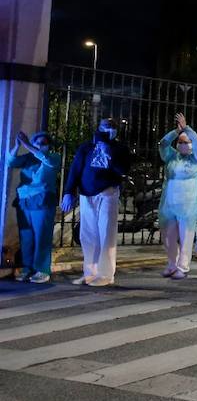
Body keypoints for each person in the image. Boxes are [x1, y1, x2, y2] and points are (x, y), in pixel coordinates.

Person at [61, 116, 130, 287]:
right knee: (89, 235)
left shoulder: (120, 148)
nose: (109, 129)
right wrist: (69, 191)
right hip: (87, 194)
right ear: (99, 127)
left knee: (106, 232)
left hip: (108, 192)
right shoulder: (87, 147)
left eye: (112, 126)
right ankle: (90, 273)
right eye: (106, 126)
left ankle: (106, 274)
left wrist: (109, 154)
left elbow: (123, 170)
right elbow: (76, 169)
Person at [6, 130, 60, 283]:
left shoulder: (53, 157)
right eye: (38, 142)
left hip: (42, 201)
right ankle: (27, 268)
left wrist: (28, 145)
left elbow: (46, 161)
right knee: (27, 237)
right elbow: (10, 161)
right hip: (25, 200)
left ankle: (42, 269)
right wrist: (17, 146)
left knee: (42, 236)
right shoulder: (28, 158)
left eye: (44, 143)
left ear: (48, 145)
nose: (40, 145)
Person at [157, 113, 197, 280]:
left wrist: (187, 129)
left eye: (187, 142)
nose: (183, 144)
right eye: (181, 142)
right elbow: (163, 144)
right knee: (168, 236)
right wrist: (175, 132)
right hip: (170, 202)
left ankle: (183, 267)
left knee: (186, 236)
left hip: (189, 203)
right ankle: (172, 264)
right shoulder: (172, 156)